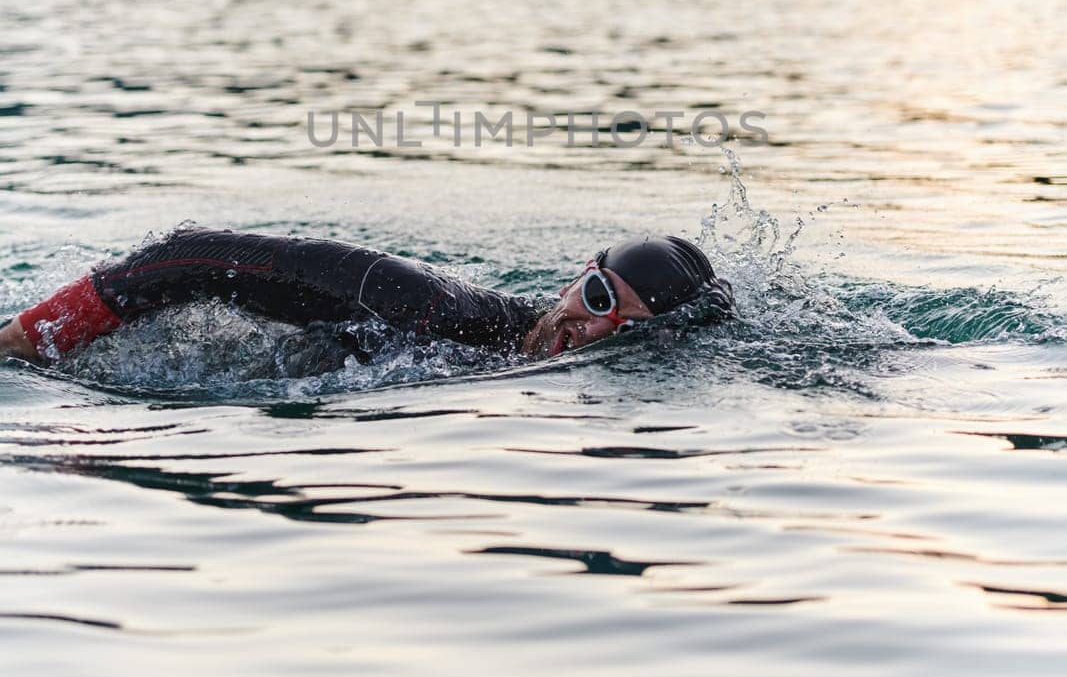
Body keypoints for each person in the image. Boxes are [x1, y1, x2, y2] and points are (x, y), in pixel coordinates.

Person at [0, 225, 733, 371]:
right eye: (596, 294)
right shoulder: (432, 307)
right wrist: (28, 339)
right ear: (578, 275)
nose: (588, 326)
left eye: (624, 326)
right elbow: (182, 255)